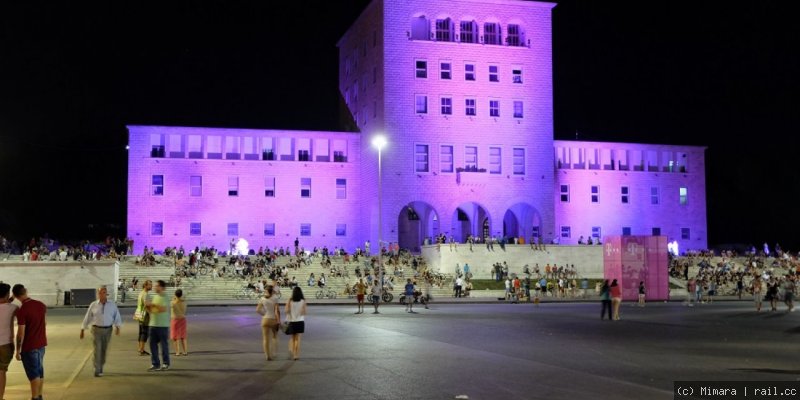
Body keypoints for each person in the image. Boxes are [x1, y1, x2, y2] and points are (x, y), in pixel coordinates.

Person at [13, 284, 47, 400]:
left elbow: (20, 333)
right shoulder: (41, 305)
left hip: (29, 346)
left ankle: (34, 397)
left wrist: (18, 350)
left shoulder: (22, 311)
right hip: (41, 344)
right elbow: (44, 323)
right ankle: (40, 395)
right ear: (26, 291)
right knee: (40, 370)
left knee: (33, 374)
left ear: (16, 296)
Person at [80, 286, 122, 377]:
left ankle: (101, 365)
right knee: (97, 349)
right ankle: (97, 369)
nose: (101, 294)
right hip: (96, 330)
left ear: (106, 293)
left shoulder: (112, 305)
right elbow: (88, 317)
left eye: (103, 292)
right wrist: (83, 328)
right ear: (97, 294)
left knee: (104, 349)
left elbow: (116, 316)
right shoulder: (93, 305)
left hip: (108, 330)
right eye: (100, 293)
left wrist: (118, 327)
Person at [145, 280, 170, 371]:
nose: (155, 287)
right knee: (152, 345)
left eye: (157, 286)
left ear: (162, 287)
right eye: (155, 286)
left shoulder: (165, 296)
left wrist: (152, 304)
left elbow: (163, 309)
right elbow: (152, 311)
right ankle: (155, 363)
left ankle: (166, 363)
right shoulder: (154, 297)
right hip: (153, 324)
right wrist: (147, 307)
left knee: (164, 345)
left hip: (163, 325)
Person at [0, 283, 18, 399]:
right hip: (5, 344)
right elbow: (6, 304)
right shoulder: (13, 308)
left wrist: (10, 298)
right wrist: (13, 297)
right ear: (7, 294)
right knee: (1, 372)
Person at [256, 285, 281, 360]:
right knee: (274, 336)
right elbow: (277, 310)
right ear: (272, 291)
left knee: (265, 339)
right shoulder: (275, 298)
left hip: (265, 319)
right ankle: (274, 352)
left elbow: (257, 310)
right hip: (273, 319)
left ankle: (267, 355)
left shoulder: (262, 299)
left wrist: (264, 314)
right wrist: (278, 320)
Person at [284, 287, 307, 361]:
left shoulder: (290, 301)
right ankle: (296, 355)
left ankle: (292, 351)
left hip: (292, 321)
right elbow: (304, 312)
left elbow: (286, 311)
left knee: (293, 338)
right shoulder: (303, 301)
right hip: (300, 321)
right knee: (297, 339)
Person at [135, 280, 152, 356]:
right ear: (145, 286)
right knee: (145, 333)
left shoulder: (141, 293)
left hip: (139, 313)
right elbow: (146, 305)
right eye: (150, 285)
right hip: (144, 315)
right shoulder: (146, 294)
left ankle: (140, 348)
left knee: (141, 332)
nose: (151, 286)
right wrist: (151, 315)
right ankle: (142, 350)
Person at [170, 289, 188, 356]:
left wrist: (173, 298)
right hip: (183, 319)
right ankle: (185, 351)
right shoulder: (184, 302)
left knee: (175, 336)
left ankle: (177, 352)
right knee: (183, 336)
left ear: (175, 294)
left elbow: (171, 304)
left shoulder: (173, 302)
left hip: (175, 319)